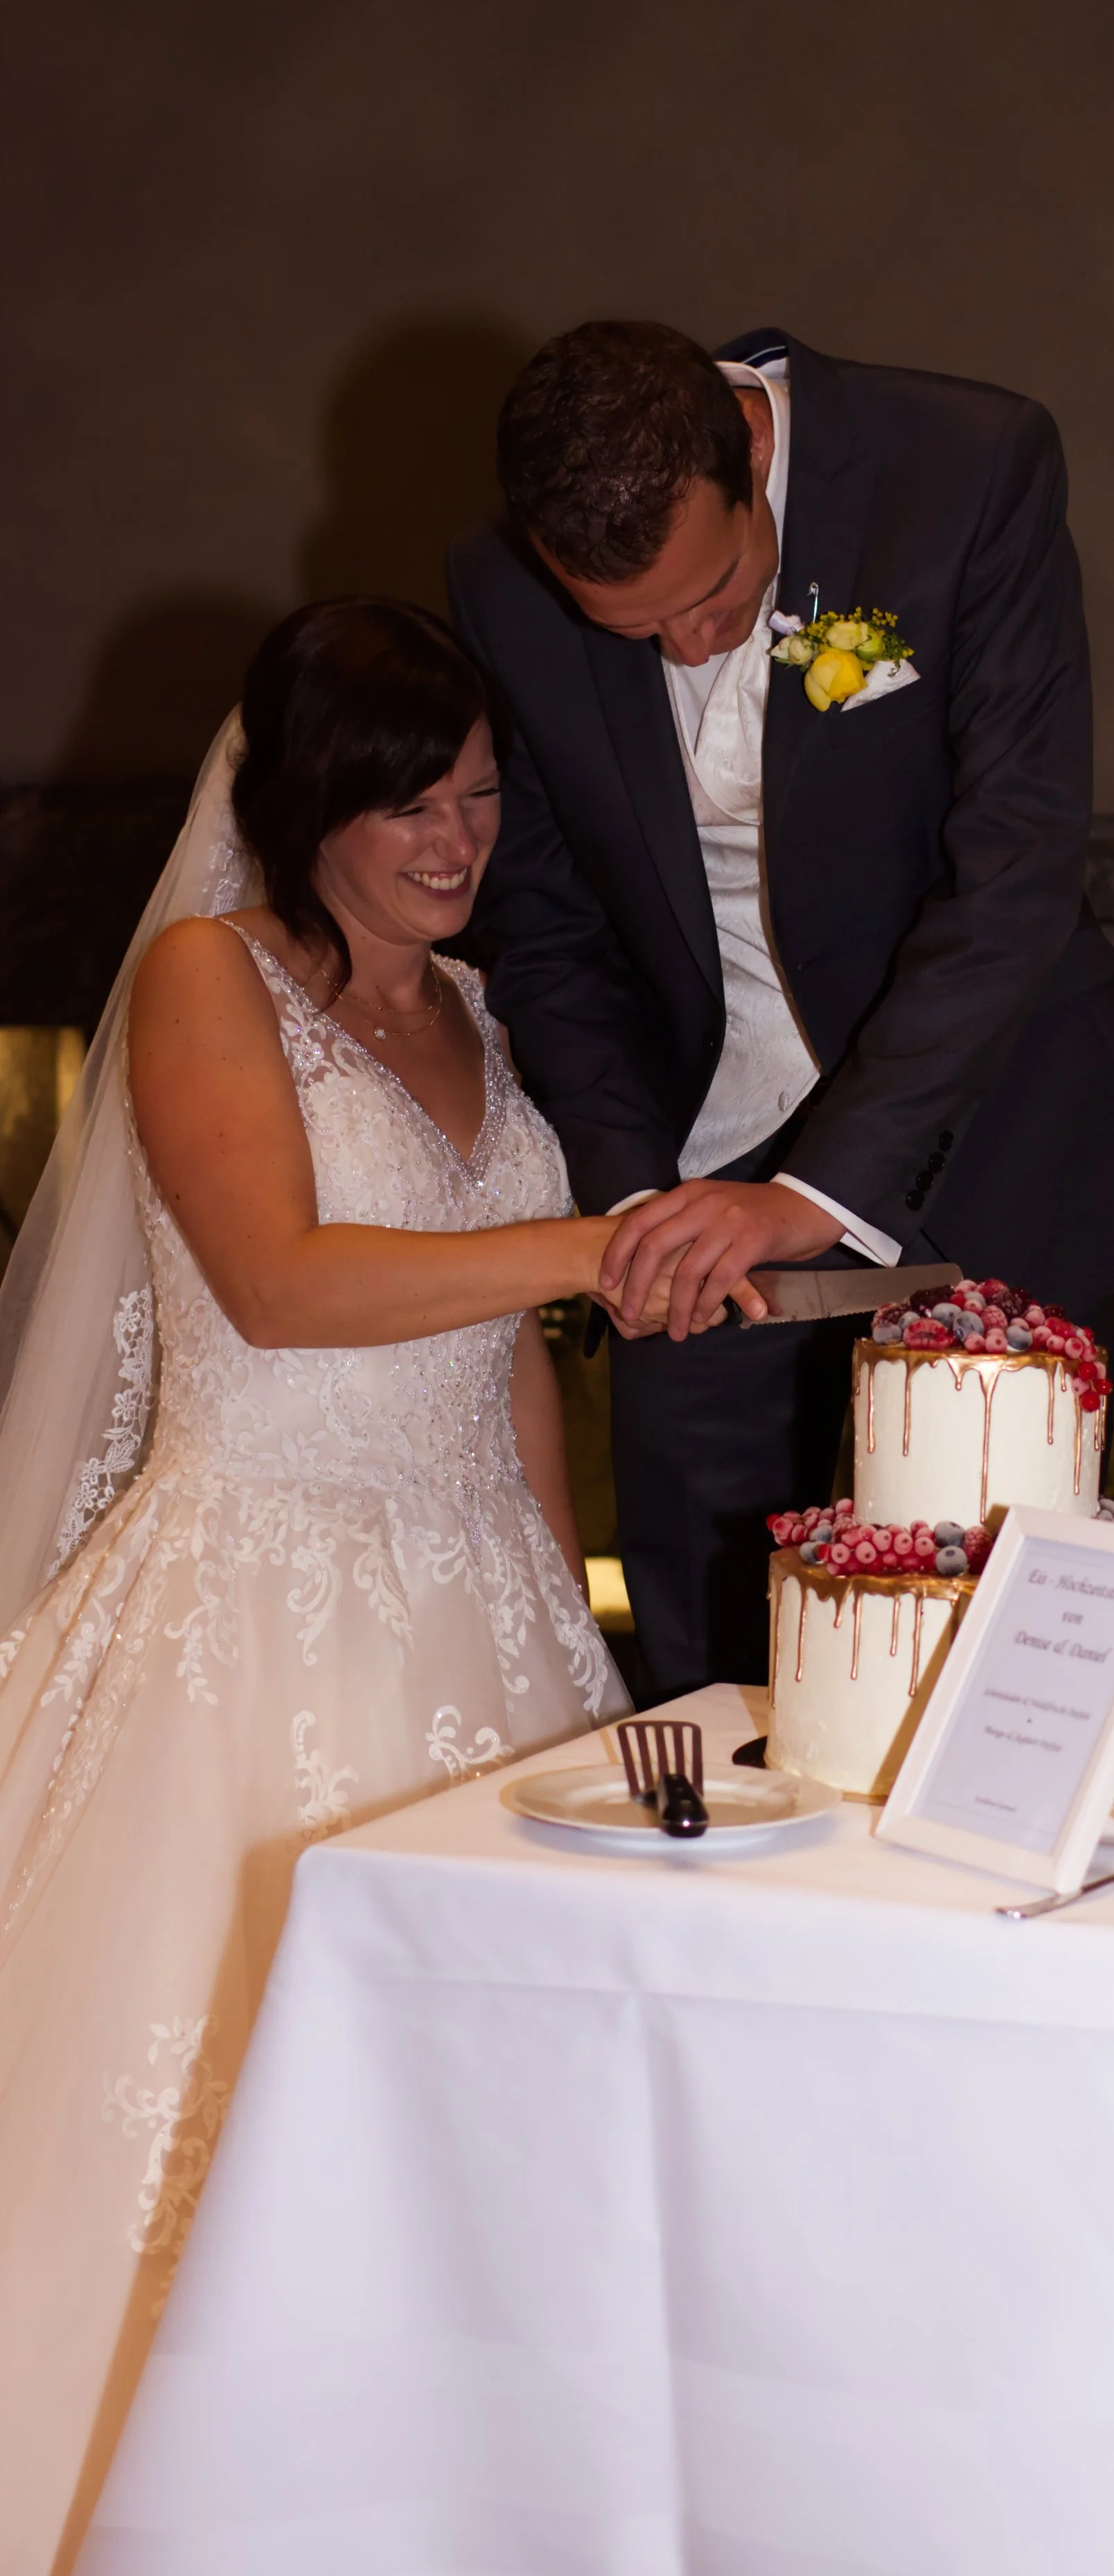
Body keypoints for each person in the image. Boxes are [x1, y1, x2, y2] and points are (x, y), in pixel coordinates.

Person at [0, 597, 715, 2576]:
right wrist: (592, 1246)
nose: (453, 837)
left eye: (480, 797)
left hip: (477, 1595)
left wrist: (574, 1623)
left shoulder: (477, 1017)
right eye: (410, 801)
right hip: (253, 1605)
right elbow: (285, 1285)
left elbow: (497, 1367)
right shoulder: (200, 979)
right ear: (311, 798)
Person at [448, 319, 1114, 1702]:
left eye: (718, 598)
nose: (687, 652)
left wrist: (818, 1189)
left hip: (991, 1148)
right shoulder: (496, 591)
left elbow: (1015, 875)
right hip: (694, 1179)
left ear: (750, 452)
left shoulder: (964, 469)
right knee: (712, 1665)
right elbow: (550, 937)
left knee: (996, 1682)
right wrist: (630, 1205)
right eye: (632, 633)